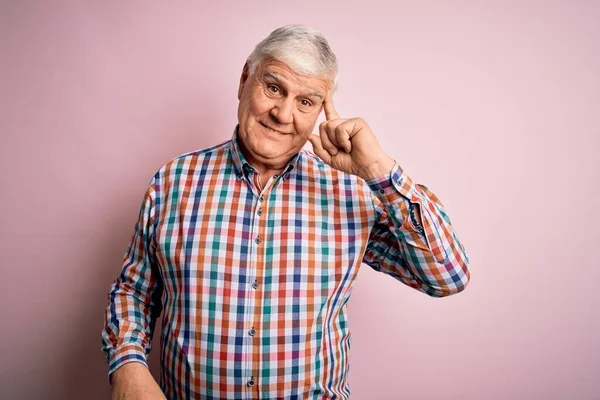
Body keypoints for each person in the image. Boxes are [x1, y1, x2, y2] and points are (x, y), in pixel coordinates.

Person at [101, 24, 470, 400]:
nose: (282, 113)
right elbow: (135, 291)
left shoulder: (352, 192)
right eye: (274, 88)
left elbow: (446, 276)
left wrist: (377, 169)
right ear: (245, 79)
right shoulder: (173, 181)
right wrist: (127, 365)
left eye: (306, 102)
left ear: (320, 113)